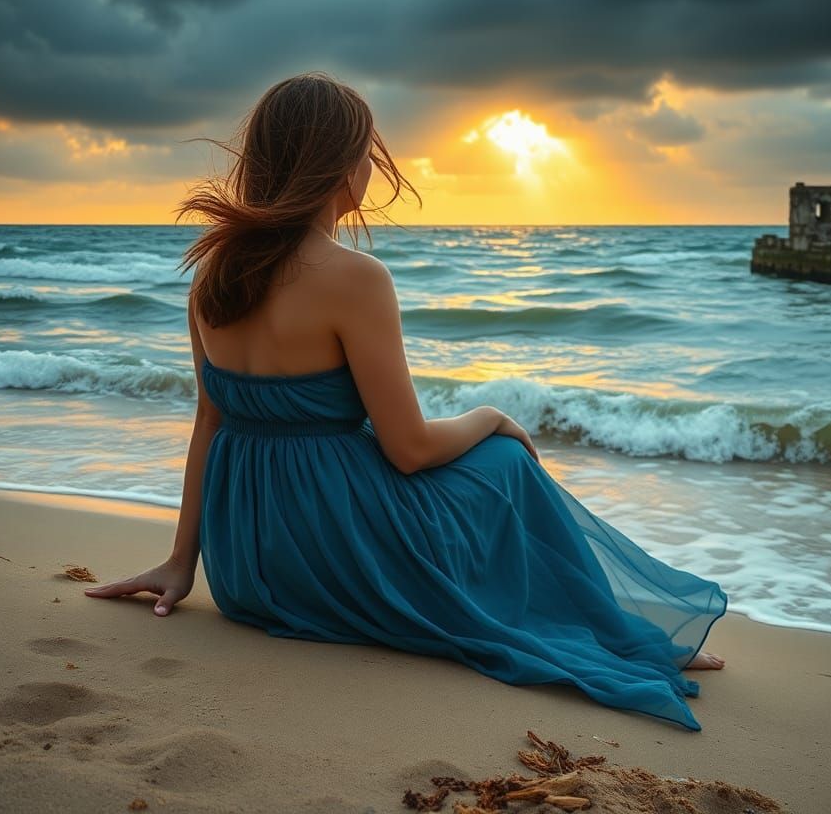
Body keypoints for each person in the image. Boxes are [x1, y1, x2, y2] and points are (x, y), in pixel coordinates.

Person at [84, 71, 727, 731]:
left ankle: (612, 627)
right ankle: (618, 633)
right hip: (337, 555)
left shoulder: (211, 279)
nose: (371, 167)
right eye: (367, 153)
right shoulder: (355, 278)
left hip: (248, 572)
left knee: (481, 469)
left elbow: (210, 424)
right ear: (341, 169)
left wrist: (180, 563)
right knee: (504, 462)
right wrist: (490, 417)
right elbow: (409, 449)